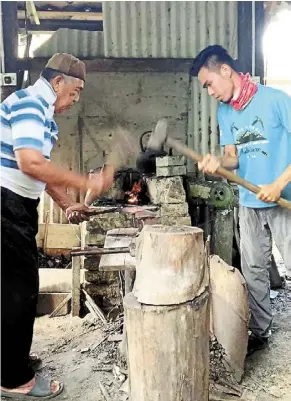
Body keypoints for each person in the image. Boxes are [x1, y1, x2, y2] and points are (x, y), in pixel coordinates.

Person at [1, 53, 114, 398]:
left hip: (18, 206)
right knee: (19, 293)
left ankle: (10, 359)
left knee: (13, 290)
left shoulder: (44, 117)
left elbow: (42, 173)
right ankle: (14, 380)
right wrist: (85, 179)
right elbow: (30, 162)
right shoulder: (30, 102)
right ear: (56, 82)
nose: (76, 99)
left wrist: (68, 205)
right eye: (75, 90)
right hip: (6, 205)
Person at [190, 45, 291, 355]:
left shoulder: (276, 100)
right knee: (254, 269)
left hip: (283, 199)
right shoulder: (225, 111)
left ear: (225, 70)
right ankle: (261, 330)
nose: (209, 92)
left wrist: (279, 183)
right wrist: (218, 163)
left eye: (208, 84)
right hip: (249, 201)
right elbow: (233, 158)